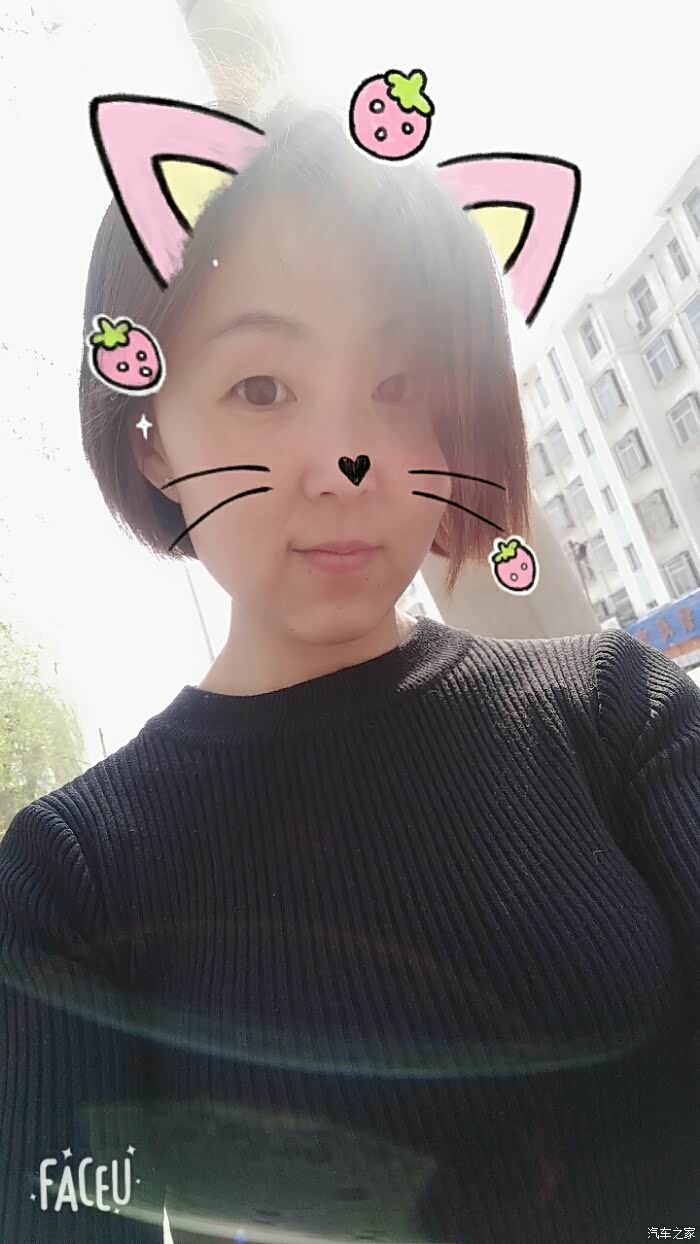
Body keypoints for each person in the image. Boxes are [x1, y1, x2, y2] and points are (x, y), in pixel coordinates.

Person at [1, 100, 699, 1244]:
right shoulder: (68, 879)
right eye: (262, 389)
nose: (348, 463)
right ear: (151, 436)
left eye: (399, 384)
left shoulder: (620, 717)